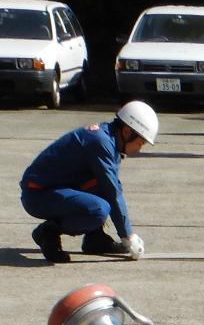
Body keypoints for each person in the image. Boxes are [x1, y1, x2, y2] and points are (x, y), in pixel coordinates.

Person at [21, 102, 156, 264]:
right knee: (99, 209)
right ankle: (48, 232)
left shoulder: (109, 139)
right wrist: (127, 236)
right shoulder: (101, 142)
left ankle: (95, 239)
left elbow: (110, 187)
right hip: (39, 195)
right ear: (127, 132)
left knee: (101, 186)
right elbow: (112, 193)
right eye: (140, 143)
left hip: (55, 190)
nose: (139, 150)